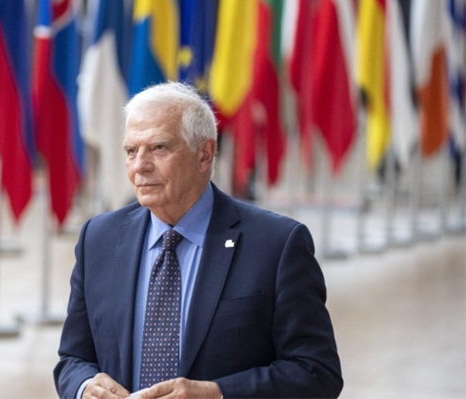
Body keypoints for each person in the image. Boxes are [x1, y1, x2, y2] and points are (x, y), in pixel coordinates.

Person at [54, 82, 342, 399]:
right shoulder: (98, 238)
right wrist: (84, 389)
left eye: (159, 148)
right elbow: (73, 359)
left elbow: (317, 372)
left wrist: (218, 394)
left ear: (204, 154)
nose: (140, 166)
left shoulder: (277, 245)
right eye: (131, 151)